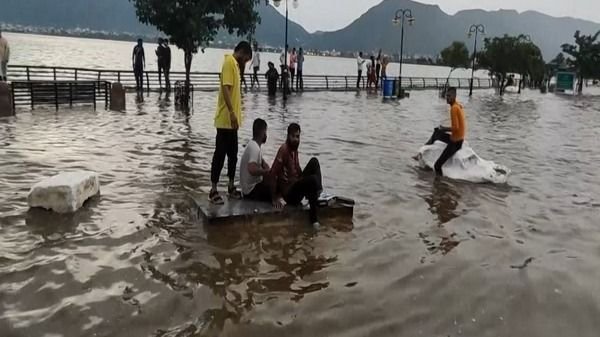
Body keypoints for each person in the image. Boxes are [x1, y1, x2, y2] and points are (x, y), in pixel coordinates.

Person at [209, 41, 253, 204]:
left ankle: (230, 185)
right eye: (247, 59)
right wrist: (232, 113)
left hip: (233, 123)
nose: (246, 63)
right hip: (224, 120)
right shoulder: (228, 62)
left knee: (233, 155)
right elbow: (226, 90)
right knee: (219, 155)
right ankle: (213, 190)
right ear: (242, 53)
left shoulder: (235, 65)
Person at [271, 123, 323, 226]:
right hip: (289, 194)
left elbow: (298, 170)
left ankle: (317, 192)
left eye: (297, 136)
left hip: (296, 184)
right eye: (293, 136)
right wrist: (275, 197)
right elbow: (273, 173)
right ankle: (314, 220)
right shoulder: (284, 150)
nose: (295, 139)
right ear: (288, 136)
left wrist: (305, 180)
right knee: (312, 180)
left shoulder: (294, 149)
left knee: (314, 161)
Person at [425, 87, 467, 176]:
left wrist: (443, 128)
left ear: (454, 96)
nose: (447, 98)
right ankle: (423, 150)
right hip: (458, 139)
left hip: (455, 143)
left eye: (449, 96)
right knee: (437, 133)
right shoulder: (458, 105)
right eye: (446, 96)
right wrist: (441, 129)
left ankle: (440, 186)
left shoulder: (454, 108)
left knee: (437, 166)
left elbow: (456, 128)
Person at [240, 118, 276, 203]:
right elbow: (252, 169)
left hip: (248, 189)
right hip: (250, 192)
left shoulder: (253, 145)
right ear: (262, 132)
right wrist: (265, 172)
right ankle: (275, 201)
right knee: (276, 186)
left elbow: (263, 163)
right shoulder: (255, 148)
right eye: (265, 132)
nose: (266, 135)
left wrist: (267, 169)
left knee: (273, 177)